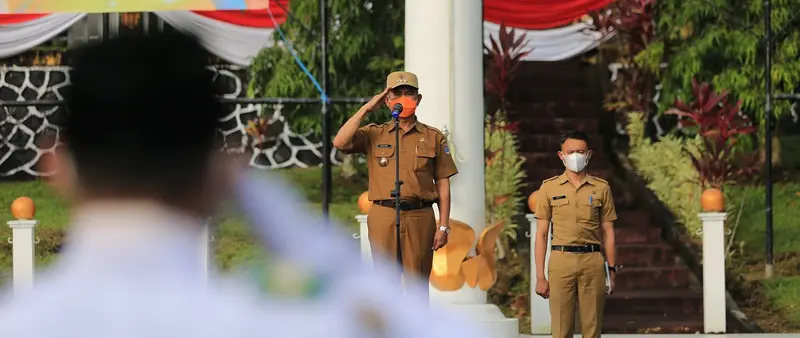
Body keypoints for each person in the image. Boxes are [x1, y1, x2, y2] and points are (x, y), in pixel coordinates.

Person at [0, 32, 487, 338]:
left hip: (420, 217)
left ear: (55, 164)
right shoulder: (285, 322)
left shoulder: (15, 323)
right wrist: (311, 242)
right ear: (218, 174)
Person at [332, 71, 457, 290]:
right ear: (387, 100)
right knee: (384, 286)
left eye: (409, 93)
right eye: (396, 94)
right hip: (384, 214)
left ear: (418, 99)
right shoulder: (374, 134)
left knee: (416, 286)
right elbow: (340, 142)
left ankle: (416, 325)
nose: (403, 98)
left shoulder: (433, 137)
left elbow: (443, 185)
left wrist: (444, 226)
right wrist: (367, 108)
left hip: (420, 215)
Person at [533, 130, 619, 338]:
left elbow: (608, 231)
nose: (576, 156)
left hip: (592, 260)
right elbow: (542, 234)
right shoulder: (549, 188)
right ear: (561, 156)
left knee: (592, 326)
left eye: (580, 151)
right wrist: (539, 277)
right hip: (561, 260)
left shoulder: (601, 188)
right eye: (570, 152)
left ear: (589, 154)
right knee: (562, 328)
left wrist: (612, 270)